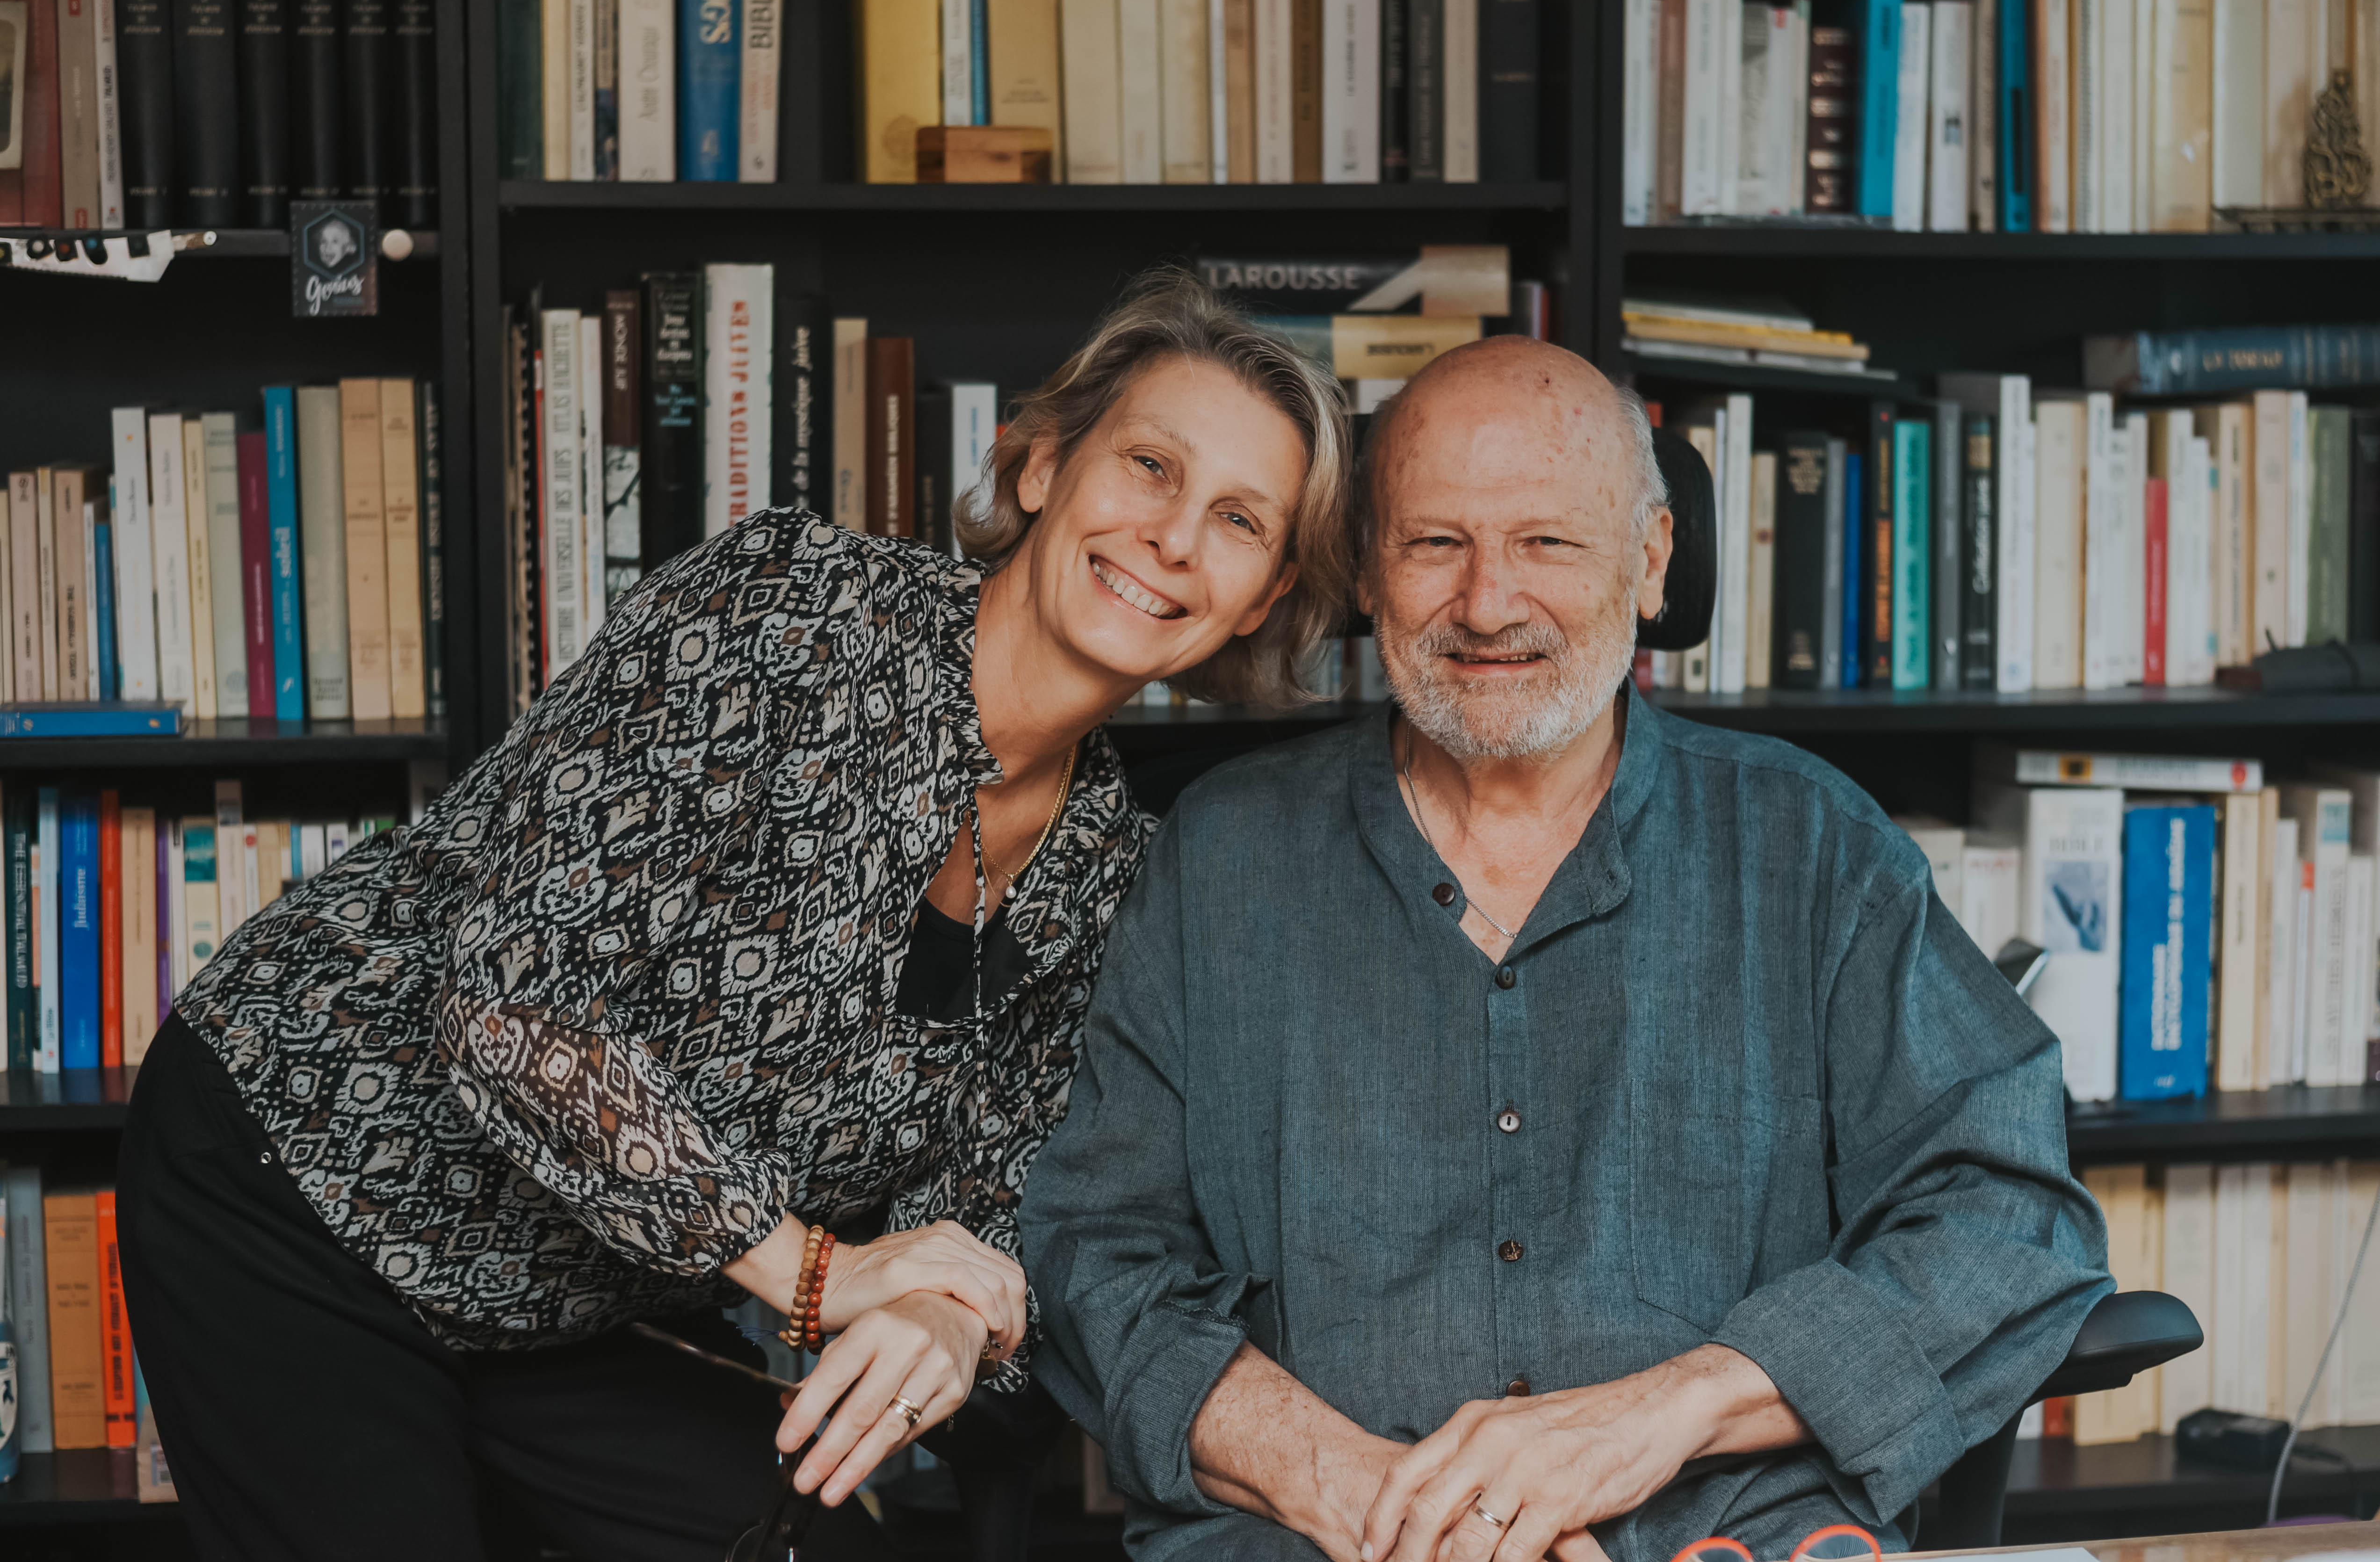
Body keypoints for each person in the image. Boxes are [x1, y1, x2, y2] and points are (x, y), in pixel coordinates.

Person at [116, 271, 1354, 1562]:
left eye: (1236, 520)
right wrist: (822, 1276)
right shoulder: (788, 615)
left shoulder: (1112, 868)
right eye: (1148, 465)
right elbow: (512, 1015)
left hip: (575, 1297)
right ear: (1038, 467)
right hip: (299, 1179)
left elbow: (996, 1206)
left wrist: (946, 1321)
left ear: (1261, 598)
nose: (1171, 537)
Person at [1020, 336, 2113, 1562]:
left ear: (1648, 564)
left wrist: (1663, 1413)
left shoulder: (1810, 846)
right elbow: (1090, 1248)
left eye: (1546, 541)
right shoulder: (1220, 857)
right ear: (1369, 574)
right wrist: (1375, 1501)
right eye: (1434, 543)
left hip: (1726, 1530)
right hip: (1321, 1536)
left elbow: (2012, 1224)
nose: (1487, 604)